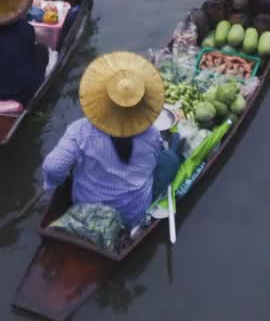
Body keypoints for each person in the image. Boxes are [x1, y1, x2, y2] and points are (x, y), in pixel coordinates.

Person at [41, 52, 182, 230]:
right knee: (170, 159)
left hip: (84, 207)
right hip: (132, 215)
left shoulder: (80, 130)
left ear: (101, 99)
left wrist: (53, 182)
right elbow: (152, 162)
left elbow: (53, 167)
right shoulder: (151, 134)